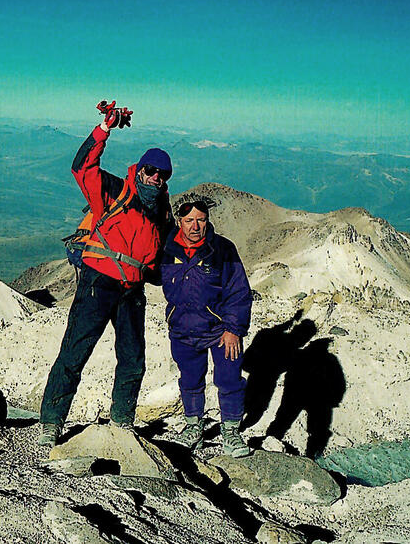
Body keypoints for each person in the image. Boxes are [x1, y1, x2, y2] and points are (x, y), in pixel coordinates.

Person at [38, 102, 174, 446]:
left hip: (132, 291)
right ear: (140, 170)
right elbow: (82, 168)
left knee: (133, 359)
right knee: (75, 352)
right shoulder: (115, 190)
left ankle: (122, 422)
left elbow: (160, 261)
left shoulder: (162, 214)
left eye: (162, 174)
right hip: (99, 282)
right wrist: (103, 129)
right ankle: (51, 423)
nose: (155, 178)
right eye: (151, 171)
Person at [160, 200, 253, 457]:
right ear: (179, 221)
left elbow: (239, 291)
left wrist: (233, 328)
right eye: (189, 220)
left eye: (201, 220)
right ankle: (193, 428)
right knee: (190, 380)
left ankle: (231, 431)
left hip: (219, 330)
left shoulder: (222, 249)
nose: (195, 226)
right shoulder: (167, 249)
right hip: (182, 328)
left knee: (229, 379)